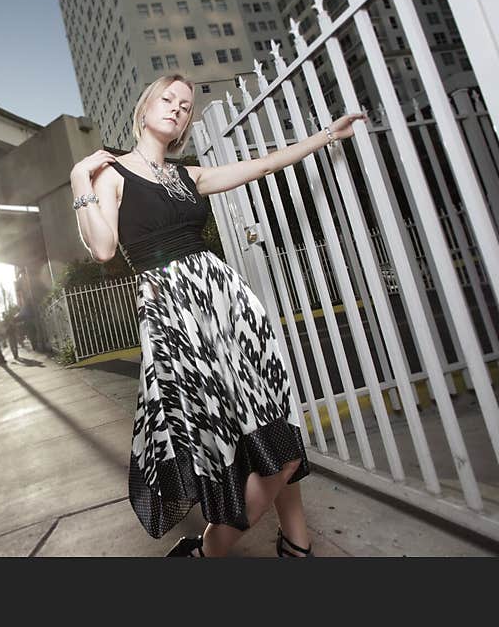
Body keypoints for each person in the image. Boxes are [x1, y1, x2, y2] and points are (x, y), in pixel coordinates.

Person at [69, 73, 366, 557]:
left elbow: (265, 163)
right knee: (230, 432)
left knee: (268, 420)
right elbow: (102, 247)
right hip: (175, 318)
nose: (177, 109)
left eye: (185, 107)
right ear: (145, 107)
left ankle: (292, 541)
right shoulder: (111, 174)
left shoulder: (191, 175)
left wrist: (326, 135)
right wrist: (80, 178)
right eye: (167, 99)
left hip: (229, 308)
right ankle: (216, 548)